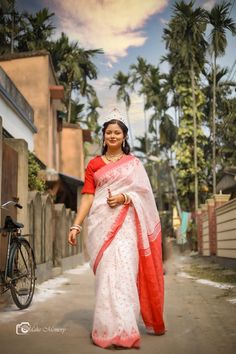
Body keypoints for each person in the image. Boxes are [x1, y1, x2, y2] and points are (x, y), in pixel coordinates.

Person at [68, 108, 165, 349]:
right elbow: (88, 197)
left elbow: (144, 195)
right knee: (106, 278)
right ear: (103, 136)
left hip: (127, 227)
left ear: (124, 136)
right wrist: (76, 225)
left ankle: (124, 330)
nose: (112, 136)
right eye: (109, 132)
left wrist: (125, 197)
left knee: (123, 275)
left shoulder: (134, 164)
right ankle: (105, 328)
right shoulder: (94, 165)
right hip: (101, 226)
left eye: (117, 132)